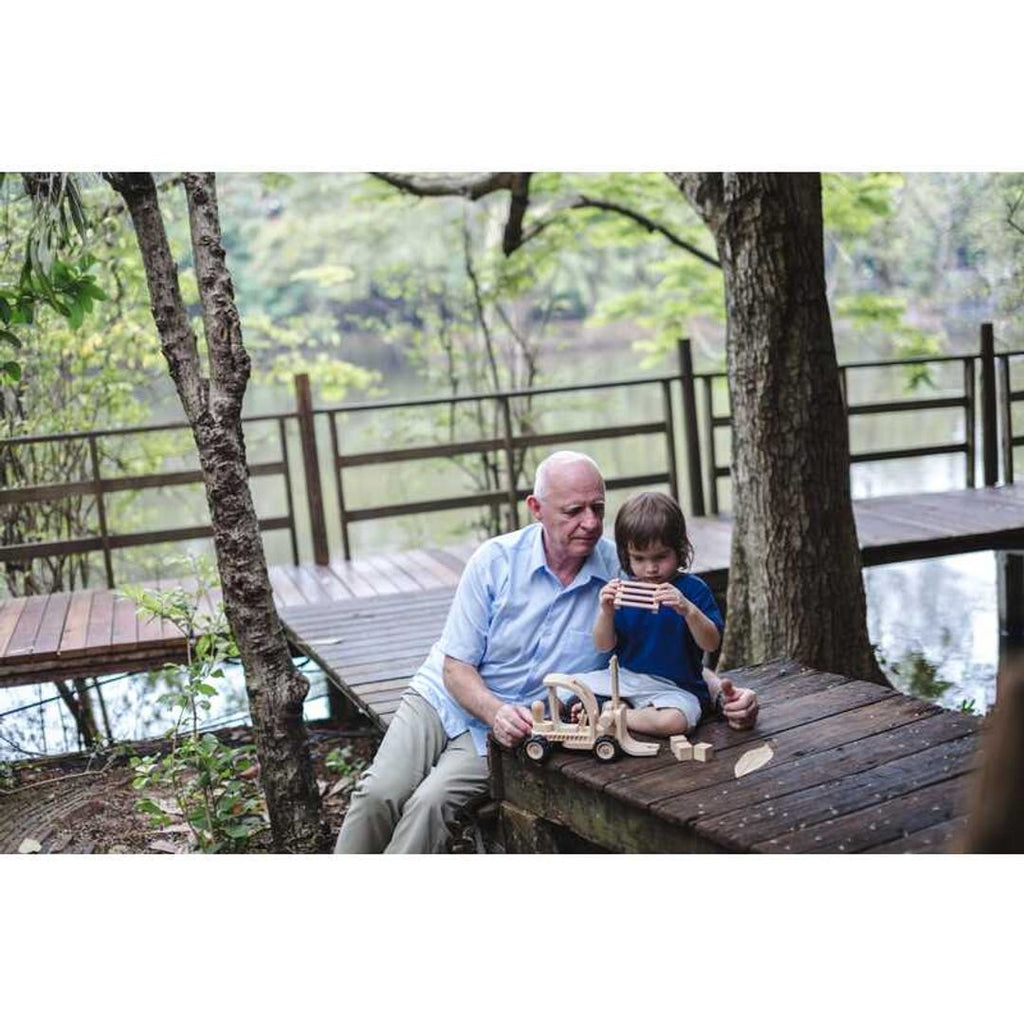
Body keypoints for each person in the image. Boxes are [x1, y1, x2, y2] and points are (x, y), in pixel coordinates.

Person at [334, 452, 759, 854]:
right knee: (378, 793)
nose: (590, 523)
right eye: (573, 511)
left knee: (431, 803)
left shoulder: (623, 573)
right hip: (444, 697)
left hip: (517, 725)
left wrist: (724, 695)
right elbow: (455, 667)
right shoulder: (494, 561)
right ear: (536, 508)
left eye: (597, 507)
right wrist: (493, 710)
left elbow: (659, 656)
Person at [569, 490, 735, 738]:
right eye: (639, 558)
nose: (651, 568)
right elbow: (603, 646)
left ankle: (616, 716)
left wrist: (688, 610)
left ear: (679, 549)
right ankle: (613, 710)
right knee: (575, 694)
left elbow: (711, 643)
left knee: (674, 723)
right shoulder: (623, 590)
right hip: (627, 681)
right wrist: (605, 611)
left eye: (660, 557)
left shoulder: (692, 590)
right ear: (626, 555)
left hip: (677, 687)